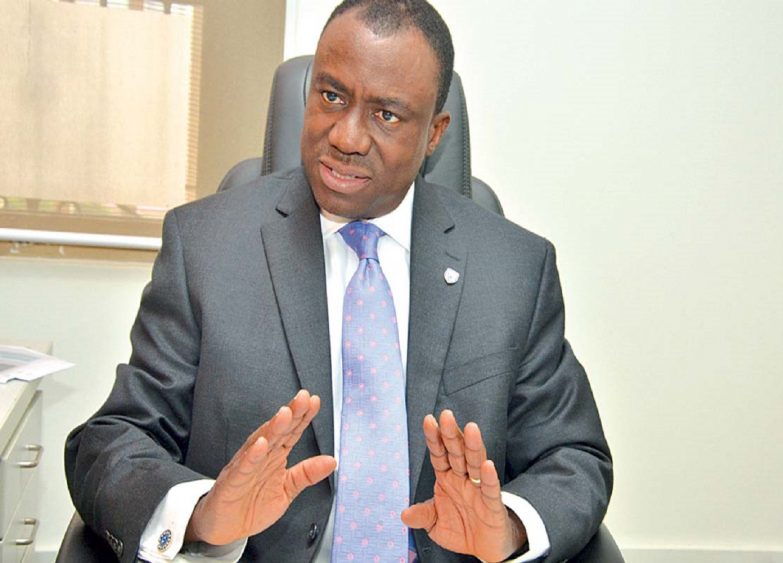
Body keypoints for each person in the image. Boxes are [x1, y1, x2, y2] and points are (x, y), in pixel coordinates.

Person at [64, 1, 612, 561]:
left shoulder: (513, 269)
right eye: (331, 96)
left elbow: (573, 458)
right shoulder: (206, 246)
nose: (346, 137)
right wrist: (203, 513)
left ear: (434, 134)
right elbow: (112, 440)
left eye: (387, 115)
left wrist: (510, 528)